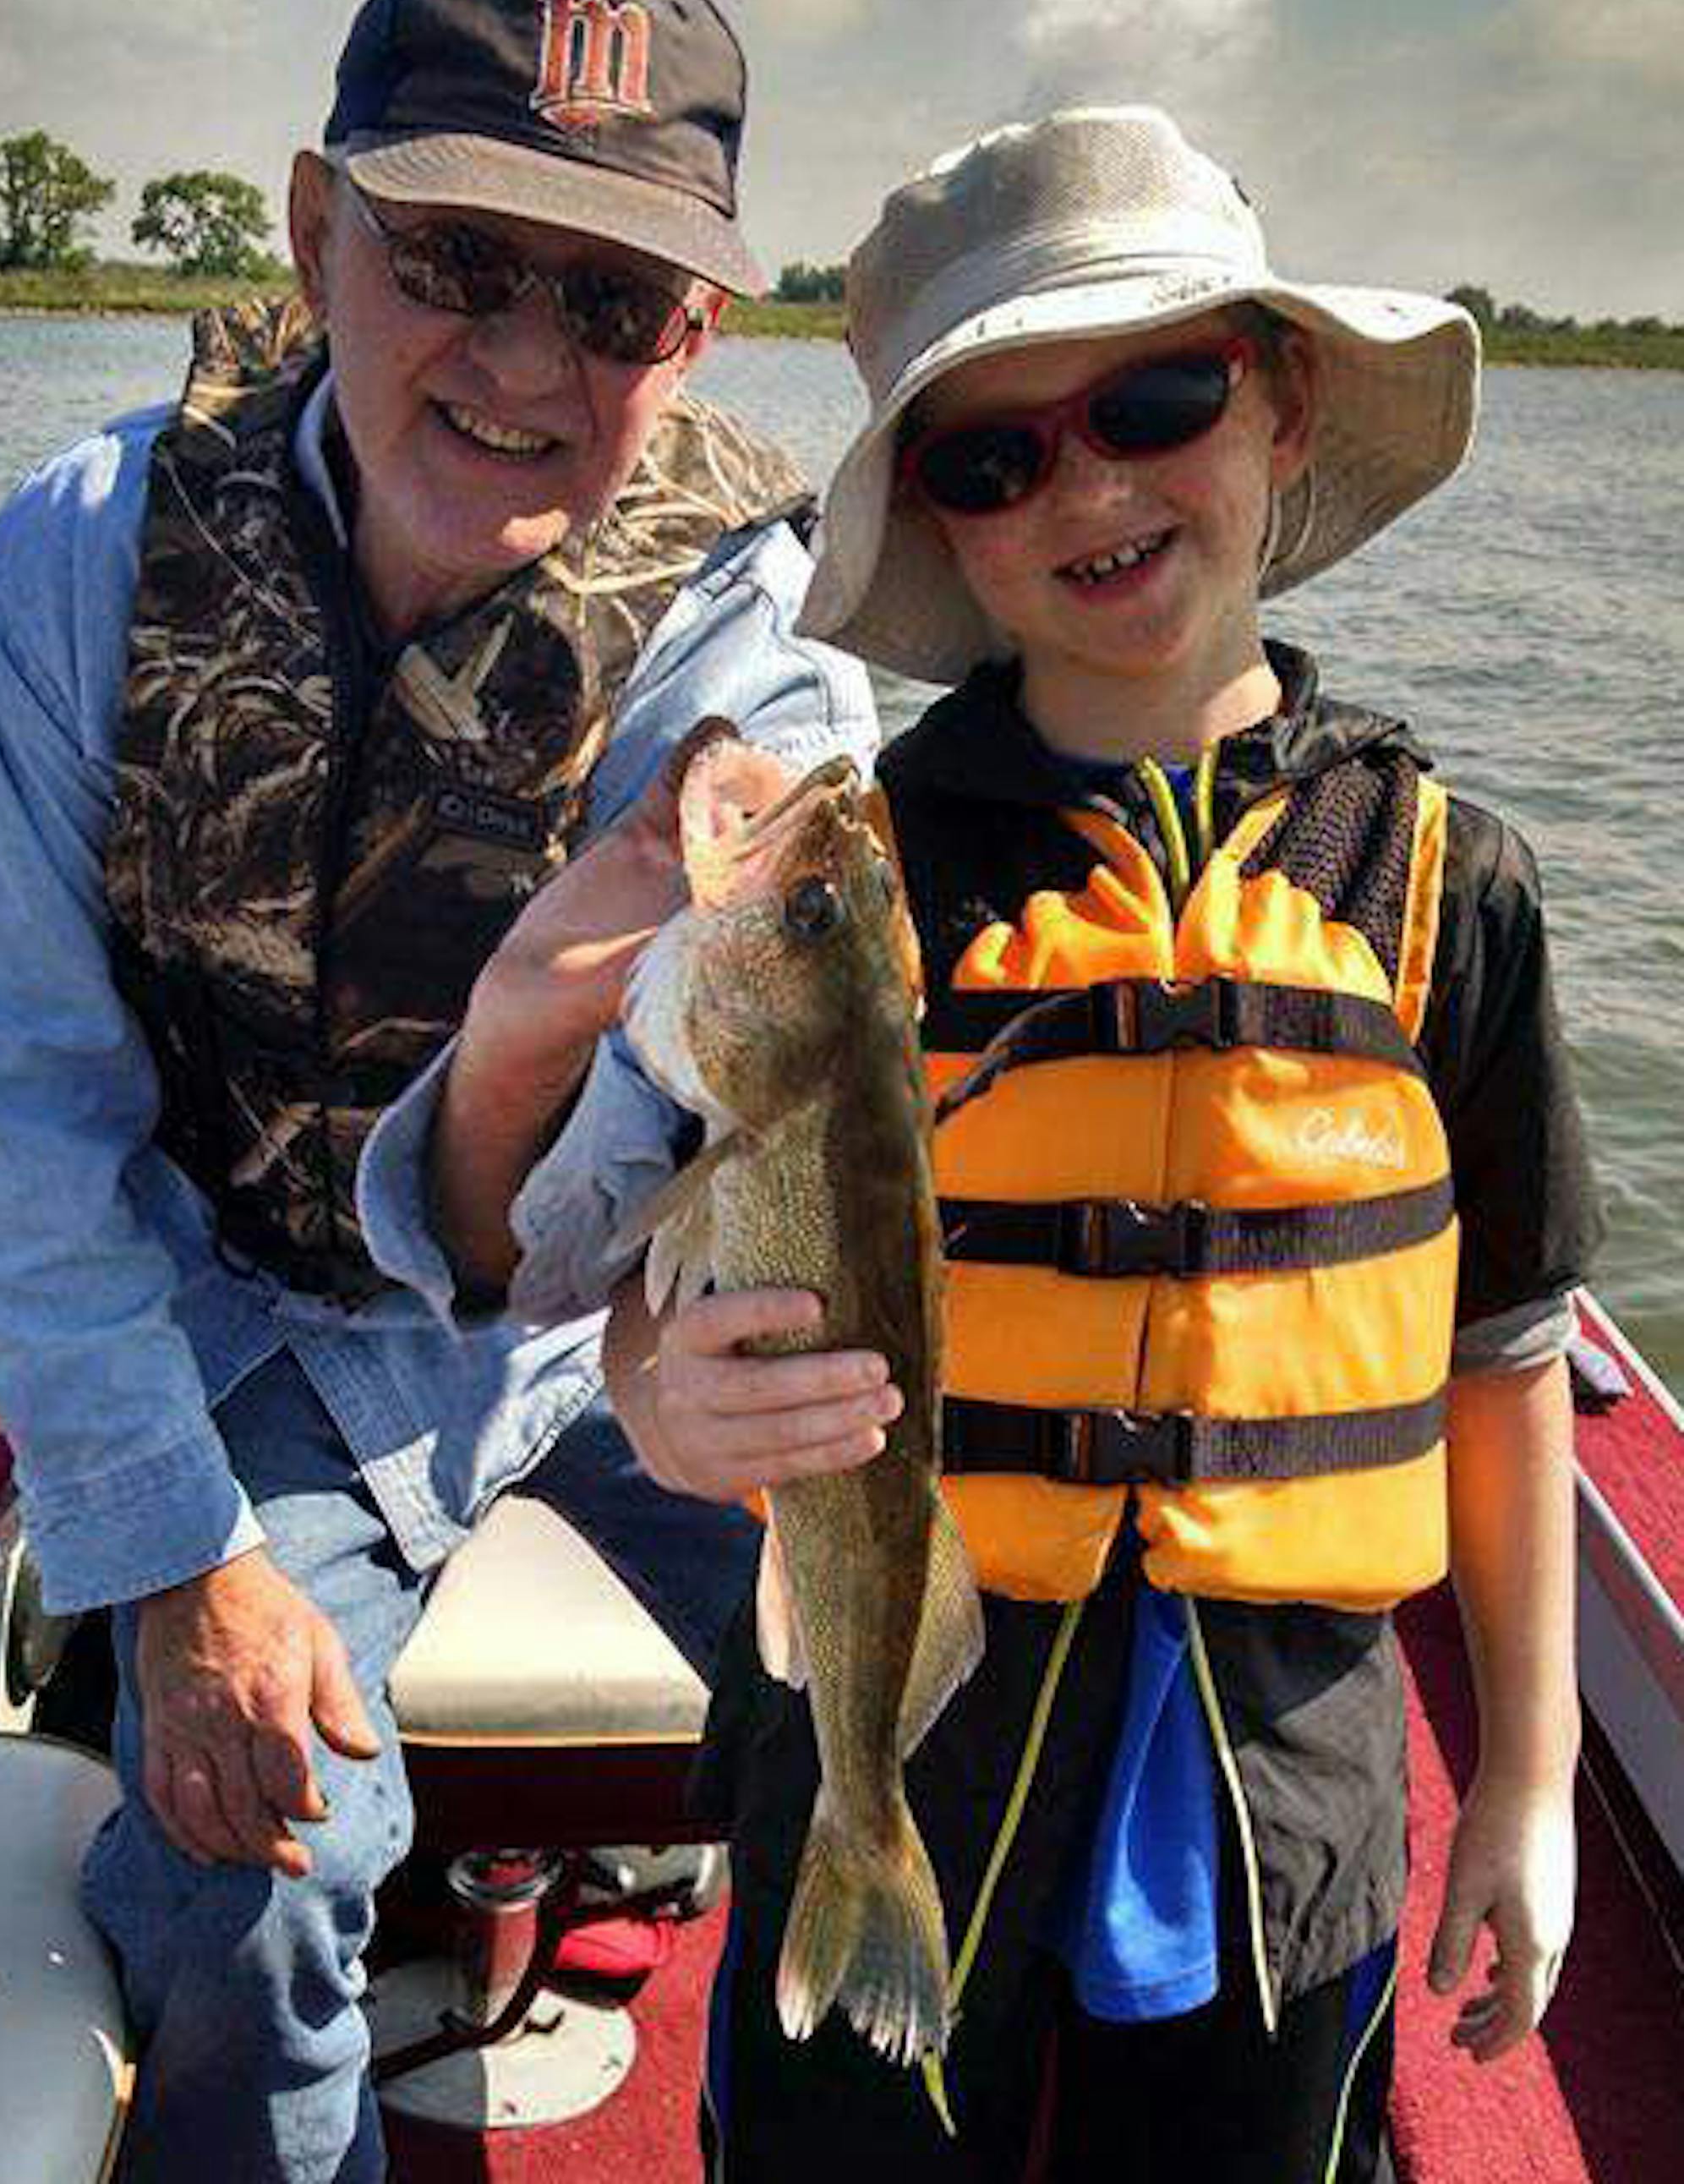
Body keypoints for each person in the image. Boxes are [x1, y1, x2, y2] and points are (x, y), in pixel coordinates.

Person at [505, 106, 1599, 2181]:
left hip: (1294, 1777)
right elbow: (636, 1260)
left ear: (1277, 404)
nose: (1086, 482)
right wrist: (662, 1400)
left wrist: (1530, 1775)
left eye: (1155, 396)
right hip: (908, 1711)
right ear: (940, 516)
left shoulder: (1456, 878)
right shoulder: (842, 877)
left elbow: (1514, 1343)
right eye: (993, 456)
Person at [0, 0, 876, 2184]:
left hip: (594, 1319)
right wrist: (164, 1560)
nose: (527, 360)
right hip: (237, 1308)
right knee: (241, 1860)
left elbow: (646, 1208)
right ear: (319, 228)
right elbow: (33, 1123)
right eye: (454, 254)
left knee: (943, 1693)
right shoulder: (78, 563)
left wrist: (583, 1080)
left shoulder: (763, 665)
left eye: (614, 301)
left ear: (703, 329)